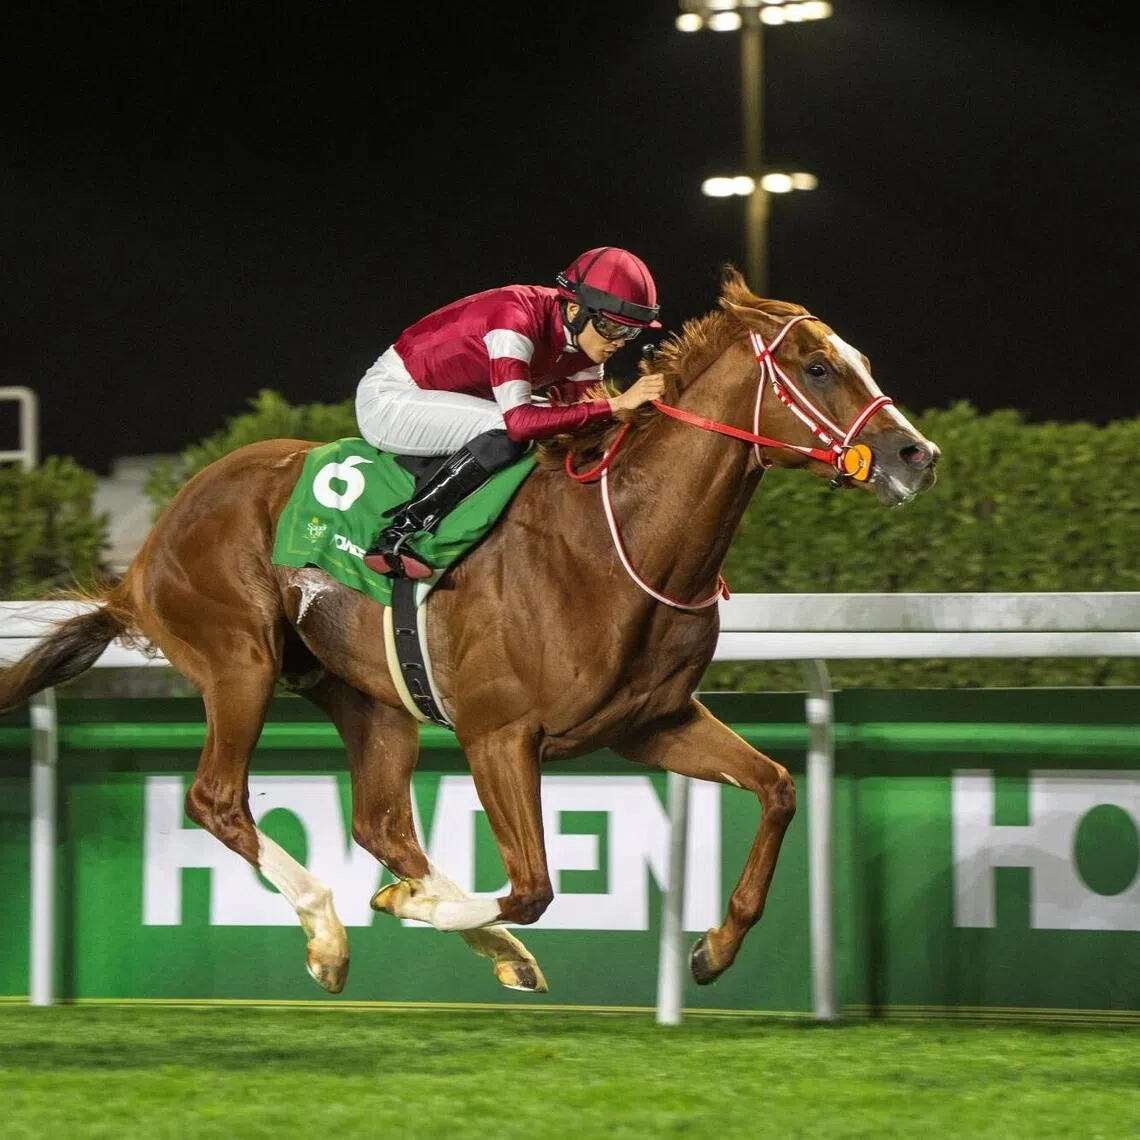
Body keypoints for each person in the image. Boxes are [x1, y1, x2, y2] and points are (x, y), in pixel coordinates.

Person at [354, 246, 668, 578]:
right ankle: (400, 533)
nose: (620, 342)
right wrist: (617, 403)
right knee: (511, 429)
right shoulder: (514, 318)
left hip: (449, 400)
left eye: (630, 332)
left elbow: (589, 421)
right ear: (576, 310)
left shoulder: (587, 345)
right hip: (390, 398)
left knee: (567, 422)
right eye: (613, 328)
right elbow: (519, 424)